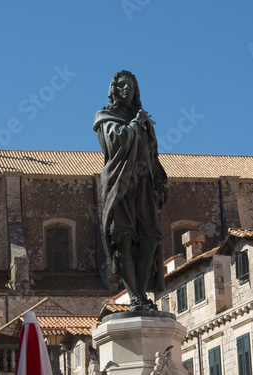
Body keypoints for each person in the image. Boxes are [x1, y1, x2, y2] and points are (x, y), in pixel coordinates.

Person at [93, 70, 168, 311]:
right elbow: (114, 142)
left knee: (150, 238)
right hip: (120, 183)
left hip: (144, 182)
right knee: (122, 237)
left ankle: (142, 293)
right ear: (114, 90)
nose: (127, 89)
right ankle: (135, 296)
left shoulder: (144, 121)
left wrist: (160, 181)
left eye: (131, 86)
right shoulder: (105, 116)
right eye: (122, 86)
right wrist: (135, 126)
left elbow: (153, 154)